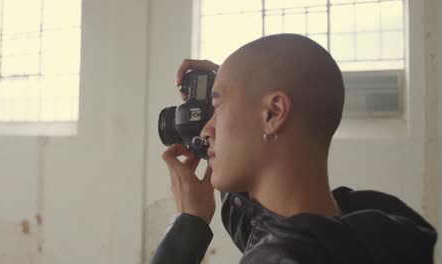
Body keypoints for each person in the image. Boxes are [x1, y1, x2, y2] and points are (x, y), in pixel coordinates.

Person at [150, 34, 437, 264]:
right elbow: (272, 229)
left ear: (274, 114)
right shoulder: (376, 227)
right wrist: (235, 84)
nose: (204, 130)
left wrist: (187, 227)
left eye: (216, 106)